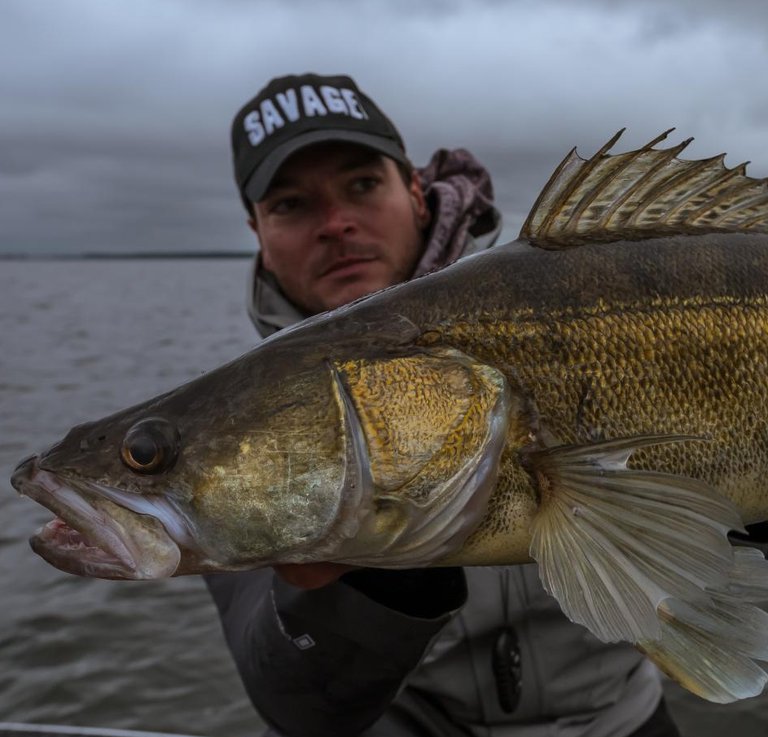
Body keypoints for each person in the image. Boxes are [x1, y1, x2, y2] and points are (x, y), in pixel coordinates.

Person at [205, 72, 681, 737]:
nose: (337, 223)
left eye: (363, 185)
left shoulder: (575, 290)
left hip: (620, 720)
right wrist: (381, 573)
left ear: (416, 192)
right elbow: (296, 699)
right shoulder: (237, 428)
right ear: (258, 231)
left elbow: (708, 578)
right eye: (290, 204)